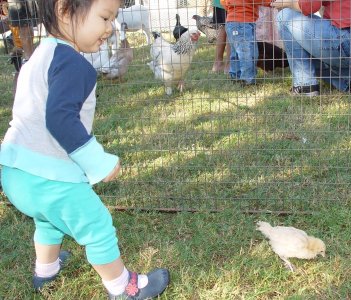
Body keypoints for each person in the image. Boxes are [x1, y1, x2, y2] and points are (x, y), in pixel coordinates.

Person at [0, 0, 170, 299]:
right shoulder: (71, 62)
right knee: (97, 225)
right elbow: (59, 118)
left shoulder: (38, 55)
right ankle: (124, 288)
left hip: (15, 172)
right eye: (104, 17)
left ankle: (46, 270)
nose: (110, 28)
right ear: (65, 10)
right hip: (50, 178)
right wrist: (97, 162)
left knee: (48, 220)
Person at [272, 0, 351, 96]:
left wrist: (288, 3)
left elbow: (309, 4)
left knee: (284, 16)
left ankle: (305, 85)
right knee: (306, 41)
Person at [220, 0, 272, 85]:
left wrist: (233, 7)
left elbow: (223, 2)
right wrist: (270, 2)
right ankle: (248, 80)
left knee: (237, 52)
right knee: (247, 53)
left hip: (233, 21)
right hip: (242, 22)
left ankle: (236, 77)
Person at [211, 0, 230, 73]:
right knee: (230, 28)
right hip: (229, 3)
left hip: (218, 2)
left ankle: (217, 64)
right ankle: (229, 66)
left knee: (223, 27)